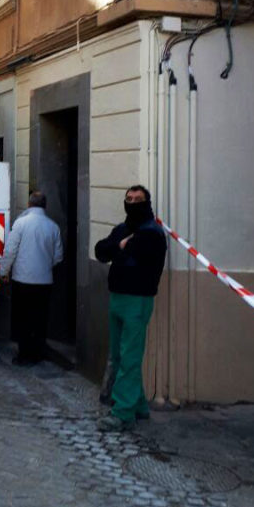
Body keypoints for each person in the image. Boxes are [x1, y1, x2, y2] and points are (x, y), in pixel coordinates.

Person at [94, 185, 167, 432]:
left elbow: (135, 260)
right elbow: (100, 251)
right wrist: (119, 248)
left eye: (138, 199)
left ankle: (122, 412)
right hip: (117, 298)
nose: (132, 202)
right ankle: (138, 406)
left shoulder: (152, 233)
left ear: (147, 202)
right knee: (119, 354)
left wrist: (119, 250)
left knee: (130, 357)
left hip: (137, 300)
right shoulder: (122, 229)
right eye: (129, 198)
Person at [0, 191, 63, 365]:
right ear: (45, 205)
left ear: (29, 204)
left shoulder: (20, 224)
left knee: (23, 318)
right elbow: (58, 256)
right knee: (40, 318)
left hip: (22, 280)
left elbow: (10, 250)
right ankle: (37, 352)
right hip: (44, 281)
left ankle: (24, 354)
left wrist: (4, 271)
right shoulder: (53, 227)